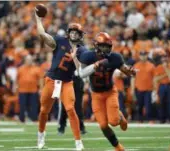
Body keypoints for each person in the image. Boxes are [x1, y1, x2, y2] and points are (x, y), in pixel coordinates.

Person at [76, 32, 137, 151]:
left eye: (107, 46)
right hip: (96, 95)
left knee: (114, 122)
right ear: (96, 46)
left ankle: (120, 116)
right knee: (103, 125)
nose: (106, 49)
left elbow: (125, 70)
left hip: (110, 92)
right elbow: (81, 73)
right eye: (103, 46)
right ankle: (118, 147)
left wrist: (130, 71)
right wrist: (94, 66)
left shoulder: (115, 57)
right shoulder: (88, 57)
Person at [35, 10, 84, 150]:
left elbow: (81, 71)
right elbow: (43, 36)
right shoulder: (60, 40)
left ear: (80, 35)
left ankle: (78, 142)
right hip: (51, 80)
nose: (74, 34)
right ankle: (41, 135)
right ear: (69, 33)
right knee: (44, 110)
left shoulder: (82, 50)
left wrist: (75, 57)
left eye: (76, 32)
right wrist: (38, 20)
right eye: (72, 32)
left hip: (67, 82)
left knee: (70, 108)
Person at [131, 50, 155, 122]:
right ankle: (140, 120)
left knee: (148, 106)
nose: (143, 57)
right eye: (142, 55)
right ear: (139, 56)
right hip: (139, 89)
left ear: (147, 56)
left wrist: (155, 89)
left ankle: (150, 119)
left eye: (144, 55)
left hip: (149, 89)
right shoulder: (136, 66)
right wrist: (132, 90)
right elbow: (132, 78)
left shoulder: (151, 66)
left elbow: (154, 78)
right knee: (140, 106)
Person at [16, 55, 41, 122]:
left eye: (30, 59)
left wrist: (41, 89)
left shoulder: (36, 68)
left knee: (34, 105)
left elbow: (40, 79)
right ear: (25, 60)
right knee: (22, 105)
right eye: (27, 59)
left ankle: (34, 118)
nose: (29, 61)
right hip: (22, 90)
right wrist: (16, 87)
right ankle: (22, 119)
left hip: (33, 90)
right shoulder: (20, 69)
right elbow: (17, 79)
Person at [154, 53, 170, 123]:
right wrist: (166, 74)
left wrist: (167, 70)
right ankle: (162, 119)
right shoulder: (159, 67)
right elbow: (156, 79)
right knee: (161, 102)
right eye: (164, 57)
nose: (165, 59)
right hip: (162, 86)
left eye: (166, 57)